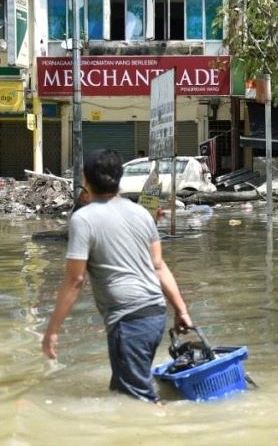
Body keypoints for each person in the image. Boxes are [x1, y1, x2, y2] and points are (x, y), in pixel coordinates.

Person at [42, 149, 192, 403]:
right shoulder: (141, 213)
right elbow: (159, 266)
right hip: (155, 315)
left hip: (129, 320)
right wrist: (181, 310)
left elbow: (75, 280)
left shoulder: (83, 219)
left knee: (139, 402)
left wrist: (52, 331)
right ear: (119, 178)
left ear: (86, 180)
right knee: (122, 392)